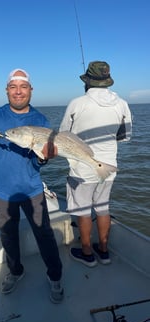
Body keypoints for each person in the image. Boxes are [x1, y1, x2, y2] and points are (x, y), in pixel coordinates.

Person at [0, 69, 64, 303]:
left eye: (23, 86)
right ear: (7, 90)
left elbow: (37, 161)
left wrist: (43, 157)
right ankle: (15, 272)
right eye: (14, 86)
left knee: (45, 235)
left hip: (32, 189)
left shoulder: (41, 121)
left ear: (31, 90)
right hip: (2, 191)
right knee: (8, 236)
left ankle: (55, 276)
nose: (18, 91)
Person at [59, 61, 132, 267]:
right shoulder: (122, 104)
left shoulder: (77, 103)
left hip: (82, 168)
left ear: (88, 81)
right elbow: (125, 136)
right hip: (108, 167)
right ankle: (104, 251)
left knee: (82, 210)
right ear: (107, 80)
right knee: (102, 208)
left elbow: (64, 135)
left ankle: (87, 253)